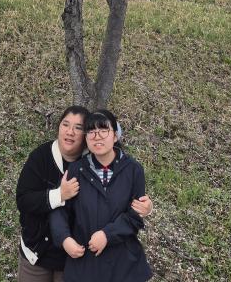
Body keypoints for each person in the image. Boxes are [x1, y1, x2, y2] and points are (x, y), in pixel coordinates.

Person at [16, 106, 152, 282]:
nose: (98, 136)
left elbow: (135, 213)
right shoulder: (73, 168)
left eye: (104, 130)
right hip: (50, 252)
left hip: (113, 262)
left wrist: (144, 210)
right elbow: (48, 208)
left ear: (115, 135)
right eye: (92, 132)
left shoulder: (132, 169)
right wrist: (64, 235)